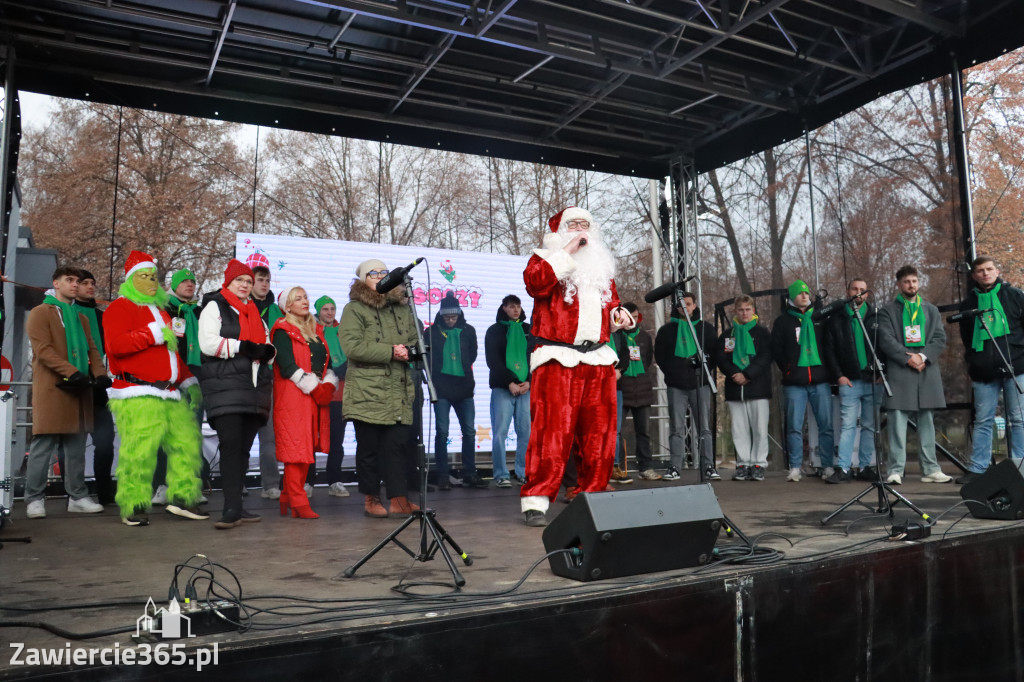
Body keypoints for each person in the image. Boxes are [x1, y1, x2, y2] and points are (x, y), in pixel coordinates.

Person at [519, 206, 627, 527]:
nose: (581, 229)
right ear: (559, 229)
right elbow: (535, 284)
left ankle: (592, 494)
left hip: (597, 358)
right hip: (556, 357)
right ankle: (536, 501)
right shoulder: (544, 258)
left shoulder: (601, 266)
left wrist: (619, 316)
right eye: (574, 224)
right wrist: (566, 251)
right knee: (551, 432)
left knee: (599, 434)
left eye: (586, 224)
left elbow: (611, 305)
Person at [103, 251, 207, 526]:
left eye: (153, 276)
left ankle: (183, 499)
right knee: (140, 451)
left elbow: (172, 354)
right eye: (144, 276)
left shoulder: (161, 312)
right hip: (138, 391)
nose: (151, 281)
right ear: (130, 280)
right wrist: (150, 334)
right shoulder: (119, 308)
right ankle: (134, 505)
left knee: (187, 444)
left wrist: (189, 381)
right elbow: (116, 346)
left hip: (171, 392)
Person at [338, 259, 421, 518]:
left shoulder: (402, 308)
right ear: (364, 279)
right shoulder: (354, 309)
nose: (380, 276)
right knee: (369, 448)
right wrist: (391, 352)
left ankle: (399, 499)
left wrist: (411, 350)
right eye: (373, 273)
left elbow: (415, 341)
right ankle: (371, 498)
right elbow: (352, 346)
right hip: (366, 390)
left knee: (398, 447)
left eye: (384, 272)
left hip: (397, 389)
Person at [197, 259, 275, 529]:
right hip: (226, 389)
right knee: (230, 447)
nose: (245, 285)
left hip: (253, 391)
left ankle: (238, 507)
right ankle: (230, 508)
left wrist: (267, 353)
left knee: (243, 451)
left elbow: (265, 345)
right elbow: (207, 344)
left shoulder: (254, 311)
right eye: (240, 280)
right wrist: (245, 347)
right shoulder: (215, 306)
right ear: (228, 282)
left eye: (249, 282)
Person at [23, 266, 107, 519]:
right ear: (55, 283)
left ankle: (77, 496)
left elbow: (93, 349)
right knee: (43, 444)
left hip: (79, 388)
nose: (74, 284)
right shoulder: (40, 312)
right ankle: (34, 499)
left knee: (76, 446)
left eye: (77, 281)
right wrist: (72, 371)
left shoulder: (81, 318)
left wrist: (101, 374)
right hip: (52, 387)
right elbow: (43, 350)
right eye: (68, 280)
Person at [876, 265, 951, 485]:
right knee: (897, 423)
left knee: (927, 422)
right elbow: (886, 339)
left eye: (915, 281)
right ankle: (896, 470)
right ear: (899, 284)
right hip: (900, 370)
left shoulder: (930, 310)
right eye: (907, 281)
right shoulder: (888, 311)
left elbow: (939, 339)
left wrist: (923, 357)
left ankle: (930, 469)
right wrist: (908, 358)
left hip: (926, 370)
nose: (912, 285)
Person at [271, 287, 339, 519]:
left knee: (306, 447)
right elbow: (287, 365)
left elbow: (325, 363)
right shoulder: (281, 329)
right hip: (293, 396)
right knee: (296, 449)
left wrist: (328, 383)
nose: (304, 301)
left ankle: (287, 497)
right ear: (287, 306)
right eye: (297, 298)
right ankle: (298, 501)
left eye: (305, 297)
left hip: (313, 396)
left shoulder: (315, 331)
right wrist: (314, 386)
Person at [955, 256, 1024, 484]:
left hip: (1016, 366)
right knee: (983, 420)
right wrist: (972, 362)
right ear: (974, 275)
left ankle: (1020, 466)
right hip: (983, 371)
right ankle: (978, 468)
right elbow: (966, 338)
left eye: (989, 269)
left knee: (1018, 419)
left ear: (997, 270)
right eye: (980, 271)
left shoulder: (1015, 296)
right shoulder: (968, 304)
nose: (985, 274)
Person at [152, 267, 210, 505]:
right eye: (184, 281)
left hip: (196, 380)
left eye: (192, 282)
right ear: (173, 285)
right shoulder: (164, 309)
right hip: (169, 379)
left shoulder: (200, 312)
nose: (189, 284)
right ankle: (163, 486)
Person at [771, 279, 834, 483]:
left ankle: (827, 465)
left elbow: (829, 345)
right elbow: (777, 350)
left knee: (825, 425)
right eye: (800, 293)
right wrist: (789, 369)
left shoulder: (820, 318)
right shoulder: (783, 322)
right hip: (794, 383)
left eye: (807, 293)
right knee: (794, 427)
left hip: (820, 380)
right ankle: (795, 467)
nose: (805, 296)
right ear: (791, 297)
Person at [823, 279, 882, 484]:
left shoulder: (876, 316)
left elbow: (884, 345)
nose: (858, 293)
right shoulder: (836, 318)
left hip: (873, 380)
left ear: (867, 294)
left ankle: (866, 466)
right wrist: (839, 375)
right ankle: (844, 468)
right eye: (854, 289)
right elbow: (829, 350)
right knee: (848, 425)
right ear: (848, 292)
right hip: (849, 380)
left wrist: (881, 372)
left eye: (862, 290)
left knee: (869, 425)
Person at [655, 291, 718, 481]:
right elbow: (661, 357)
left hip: (700, 384)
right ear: (676, 308)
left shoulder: (705, 328)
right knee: (677, 428)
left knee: (704, 426)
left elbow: (713, 354)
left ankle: (708, 466)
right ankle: (675, 466)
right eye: (682, 305)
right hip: (676, 385)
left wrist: (701, 368)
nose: (685, 307)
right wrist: (675, 372)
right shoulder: (666, 331)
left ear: (694, 305)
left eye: (689, 304)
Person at [429, 292, 485, 489]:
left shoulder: (468, 330)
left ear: (459, 314)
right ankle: (443, 475)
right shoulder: (431, 332)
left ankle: (470, 473)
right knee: (442, 432)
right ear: (441, 315)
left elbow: (473, 354)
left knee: (469, 432)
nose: (450, 320)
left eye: (453, 317)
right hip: (442, 388)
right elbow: (428, 359)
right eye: (447, 317)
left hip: (464, 388)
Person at [714, 295, 772, 482]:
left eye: (748, 309)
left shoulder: (762, 333)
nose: (744, 313)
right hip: (734, 387)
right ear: (735, 312)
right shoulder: (727, 335)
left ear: (753, 310)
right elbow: (722, 358)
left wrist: (747, 374)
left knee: (759, 428)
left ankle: (758, 463)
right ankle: (743, 463)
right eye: (741, 310)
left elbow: (765, 357)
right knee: (739, 429)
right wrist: (735, 374)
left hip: (757, 387)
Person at [74, 269, 117, 506]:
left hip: (98, 383)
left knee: (105, 440)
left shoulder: (102, 316)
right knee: (74, 442)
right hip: (73, 383)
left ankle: (104, 492)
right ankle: (76, 493)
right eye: (84, 283)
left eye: (92, 282)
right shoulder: (66, 312)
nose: (90, 287)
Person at [484, 294, 532, 488]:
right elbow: (492, 361)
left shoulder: (529, 330)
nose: (515, 310)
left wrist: (529, 381)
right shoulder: (494, 330)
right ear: (503, 308)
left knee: (525, 432)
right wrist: (509, 382)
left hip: (526, 388)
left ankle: (522, 471)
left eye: (518, 306)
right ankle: (501, 474)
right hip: (503, 388)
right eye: (511, 306)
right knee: (500, 433)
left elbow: (536, 357)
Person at [250, 263, 284, 500]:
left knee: (268, 435)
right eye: (260, 279)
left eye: (267, 280)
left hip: (270, 379)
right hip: (243, 378)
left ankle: (270, 484)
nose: (264, 284)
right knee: (239, 435)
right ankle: (236, 482)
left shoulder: (276, 311)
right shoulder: (240, 306)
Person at [614, 302, 656, 484]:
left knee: (644, 432)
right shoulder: (615, 336)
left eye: (635, 316)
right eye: (628, 316)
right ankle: (618, 468)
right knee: (616, 432)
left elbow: (647, 361)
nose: (632, 320)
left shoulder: (645, 337)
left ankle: (645, 467)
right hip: (621, 389)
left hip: (642, 389)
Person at [315, 295, 350, 498]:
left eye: (332, 309)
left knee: (337, 439)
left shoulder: (342, 331)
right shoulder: (313, 330)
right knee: (312, 439)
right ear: (318, 311)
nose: (329, 313)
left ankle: (335, 480)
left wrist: (344, 368)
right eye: (325, 309)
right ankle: (307, 481)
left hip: (341, 394)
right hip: (319, 391)